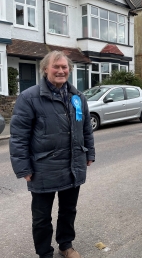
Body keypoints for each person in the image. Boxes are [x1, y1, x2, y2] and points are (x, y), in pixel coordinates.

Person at [9, 51, 95, 258]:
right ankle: (44, 253)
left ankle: (65, 245)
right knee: (41, 217)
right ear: (45, 69)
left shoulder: (78, 97)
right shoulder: (29, 97)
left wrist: (89, 153)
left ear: (70, 70)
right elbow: (19, 136)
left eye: (64, 67)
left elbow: (86, 129)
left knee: (68, 211)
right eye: (56, 67)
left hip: (73, 166)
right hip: (42, 168)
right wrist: (23, 168)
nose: (61, 70)